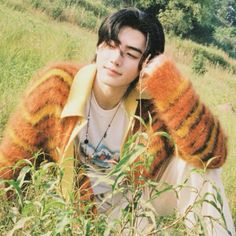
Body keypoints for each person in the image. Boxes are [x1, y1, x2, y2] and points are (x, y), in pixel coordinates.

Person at [0, 7, 235, 235]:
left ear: (145, 65)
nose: (115, 59)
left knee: (198, 167)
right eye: (110, 46)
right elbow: (11, 161)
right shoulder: (56, 85)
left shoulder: (152, 106)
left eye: (131, 54)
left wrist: (171, 86)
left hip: (132, 211)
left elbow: (213, 156)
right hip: (72, 208)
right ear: (99, 47)